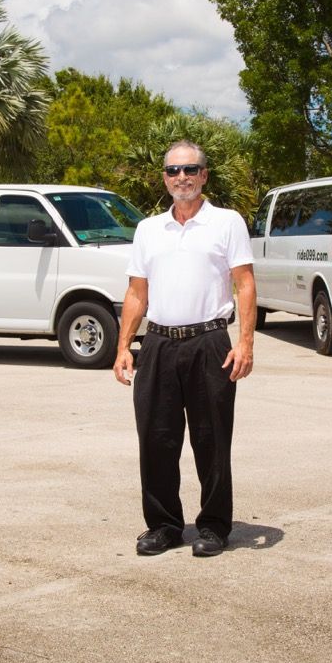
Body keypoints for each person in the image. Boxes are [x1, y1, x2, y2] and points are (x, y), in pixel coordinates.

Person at [113, 140, 256, 557]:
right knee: (156, 439)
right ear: (164, 178)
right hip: (157, 343)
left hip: (210, 341)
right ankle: (163, 525)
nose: (182, 178)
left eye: (190, 170)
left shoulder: (226, 223)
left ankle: (213, 526)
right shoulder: (147, 230)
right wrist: (124, 347)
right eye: (174, 171)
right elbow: (137, 293)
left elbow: (244, 283)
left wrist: (245, 342)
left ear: (204, 175)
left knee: (211, 439)